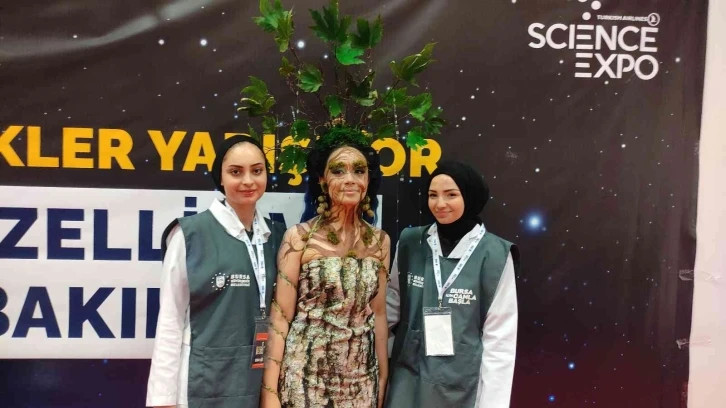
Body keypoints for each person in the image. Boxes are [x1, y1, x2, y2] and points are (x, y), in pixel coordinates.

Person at [146, 135, 285, 408]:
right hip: (204, 380)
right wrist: (163, 399)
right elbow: (171, 319)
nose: (248, 181)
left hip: (260, 381)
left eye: (257, 171)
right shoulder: (189, 235)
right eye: (236, 172)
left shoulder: (279, 237)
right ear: (220, 177)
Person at [261, 130, 391, 408]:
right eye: (338, 170)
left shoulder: (380, 242)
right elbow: (280, 318)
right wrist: (269, 393)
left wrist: (382, 378)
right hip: (304, 378)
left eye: (359, 171)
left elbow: (379, 314)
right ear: (321, 179)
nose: (350, 179)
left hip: (361, 381)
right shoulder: (299, 238)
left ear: (368, 179)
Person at [385, 160, 519, 408]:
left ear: (470, 196)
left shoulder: (496, 255)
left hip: (460, 385)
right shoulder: (411, 242)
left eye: (451, 195)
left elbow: (500, 339)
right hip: (407, 378)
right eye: (432, 195)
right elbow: (391, 304)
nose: (440, 204)